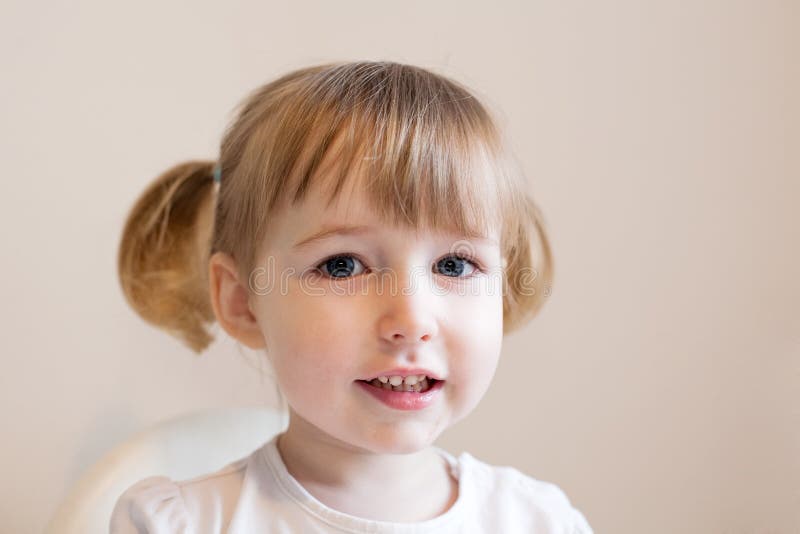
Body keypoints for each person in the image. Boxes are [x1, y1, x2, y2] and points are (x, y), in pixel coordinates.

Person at [110, 60, 593, 533]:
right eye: (342, 266)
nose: (411, 317)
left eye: (454, 265)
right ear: (242, 302)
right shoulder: (180, 524)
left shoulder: (539, 522)